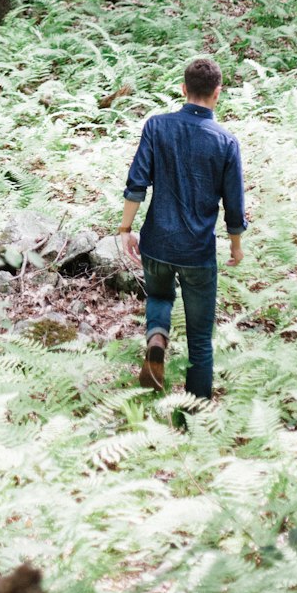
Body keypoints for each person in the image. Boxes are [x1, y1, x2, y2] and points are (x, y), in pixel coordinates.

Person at [117, 55, 248, 399]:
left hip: (157, 243)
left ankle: (157, 337)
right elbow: (233, 205)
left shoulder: (157, 127)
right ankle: (196, 416)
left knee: (159, 296)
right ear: (217, 93)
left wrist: (125, 228)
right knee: (201, 339)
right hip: (198, 251)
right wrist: (235, 245)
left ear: (183, 89)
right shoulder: (226, 141)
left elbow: (136, 184)